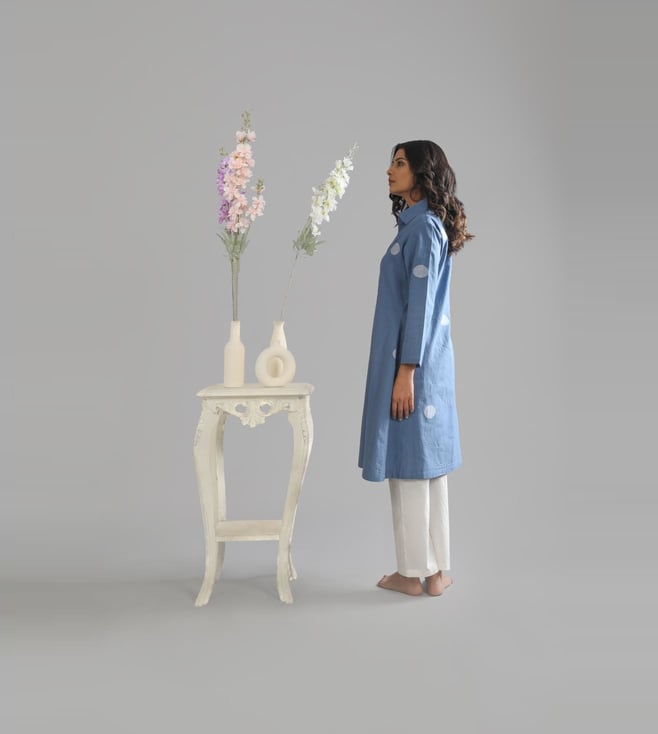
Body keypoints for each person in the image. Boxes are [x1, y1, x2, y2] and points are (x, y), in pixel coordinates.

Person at [358, 140, 474, 596]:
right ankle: (437, 573)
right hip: (427, 364)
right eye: (392, 161)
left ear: (422, 173)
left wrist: (405, 372)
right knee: (429, 465)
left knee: (409, 467)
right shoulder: (420, 226)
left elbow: (420, 306)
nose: (389, 170)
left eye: (400, 163)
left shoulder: (422, 229)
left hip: (412, 367)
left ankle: (411, 574)